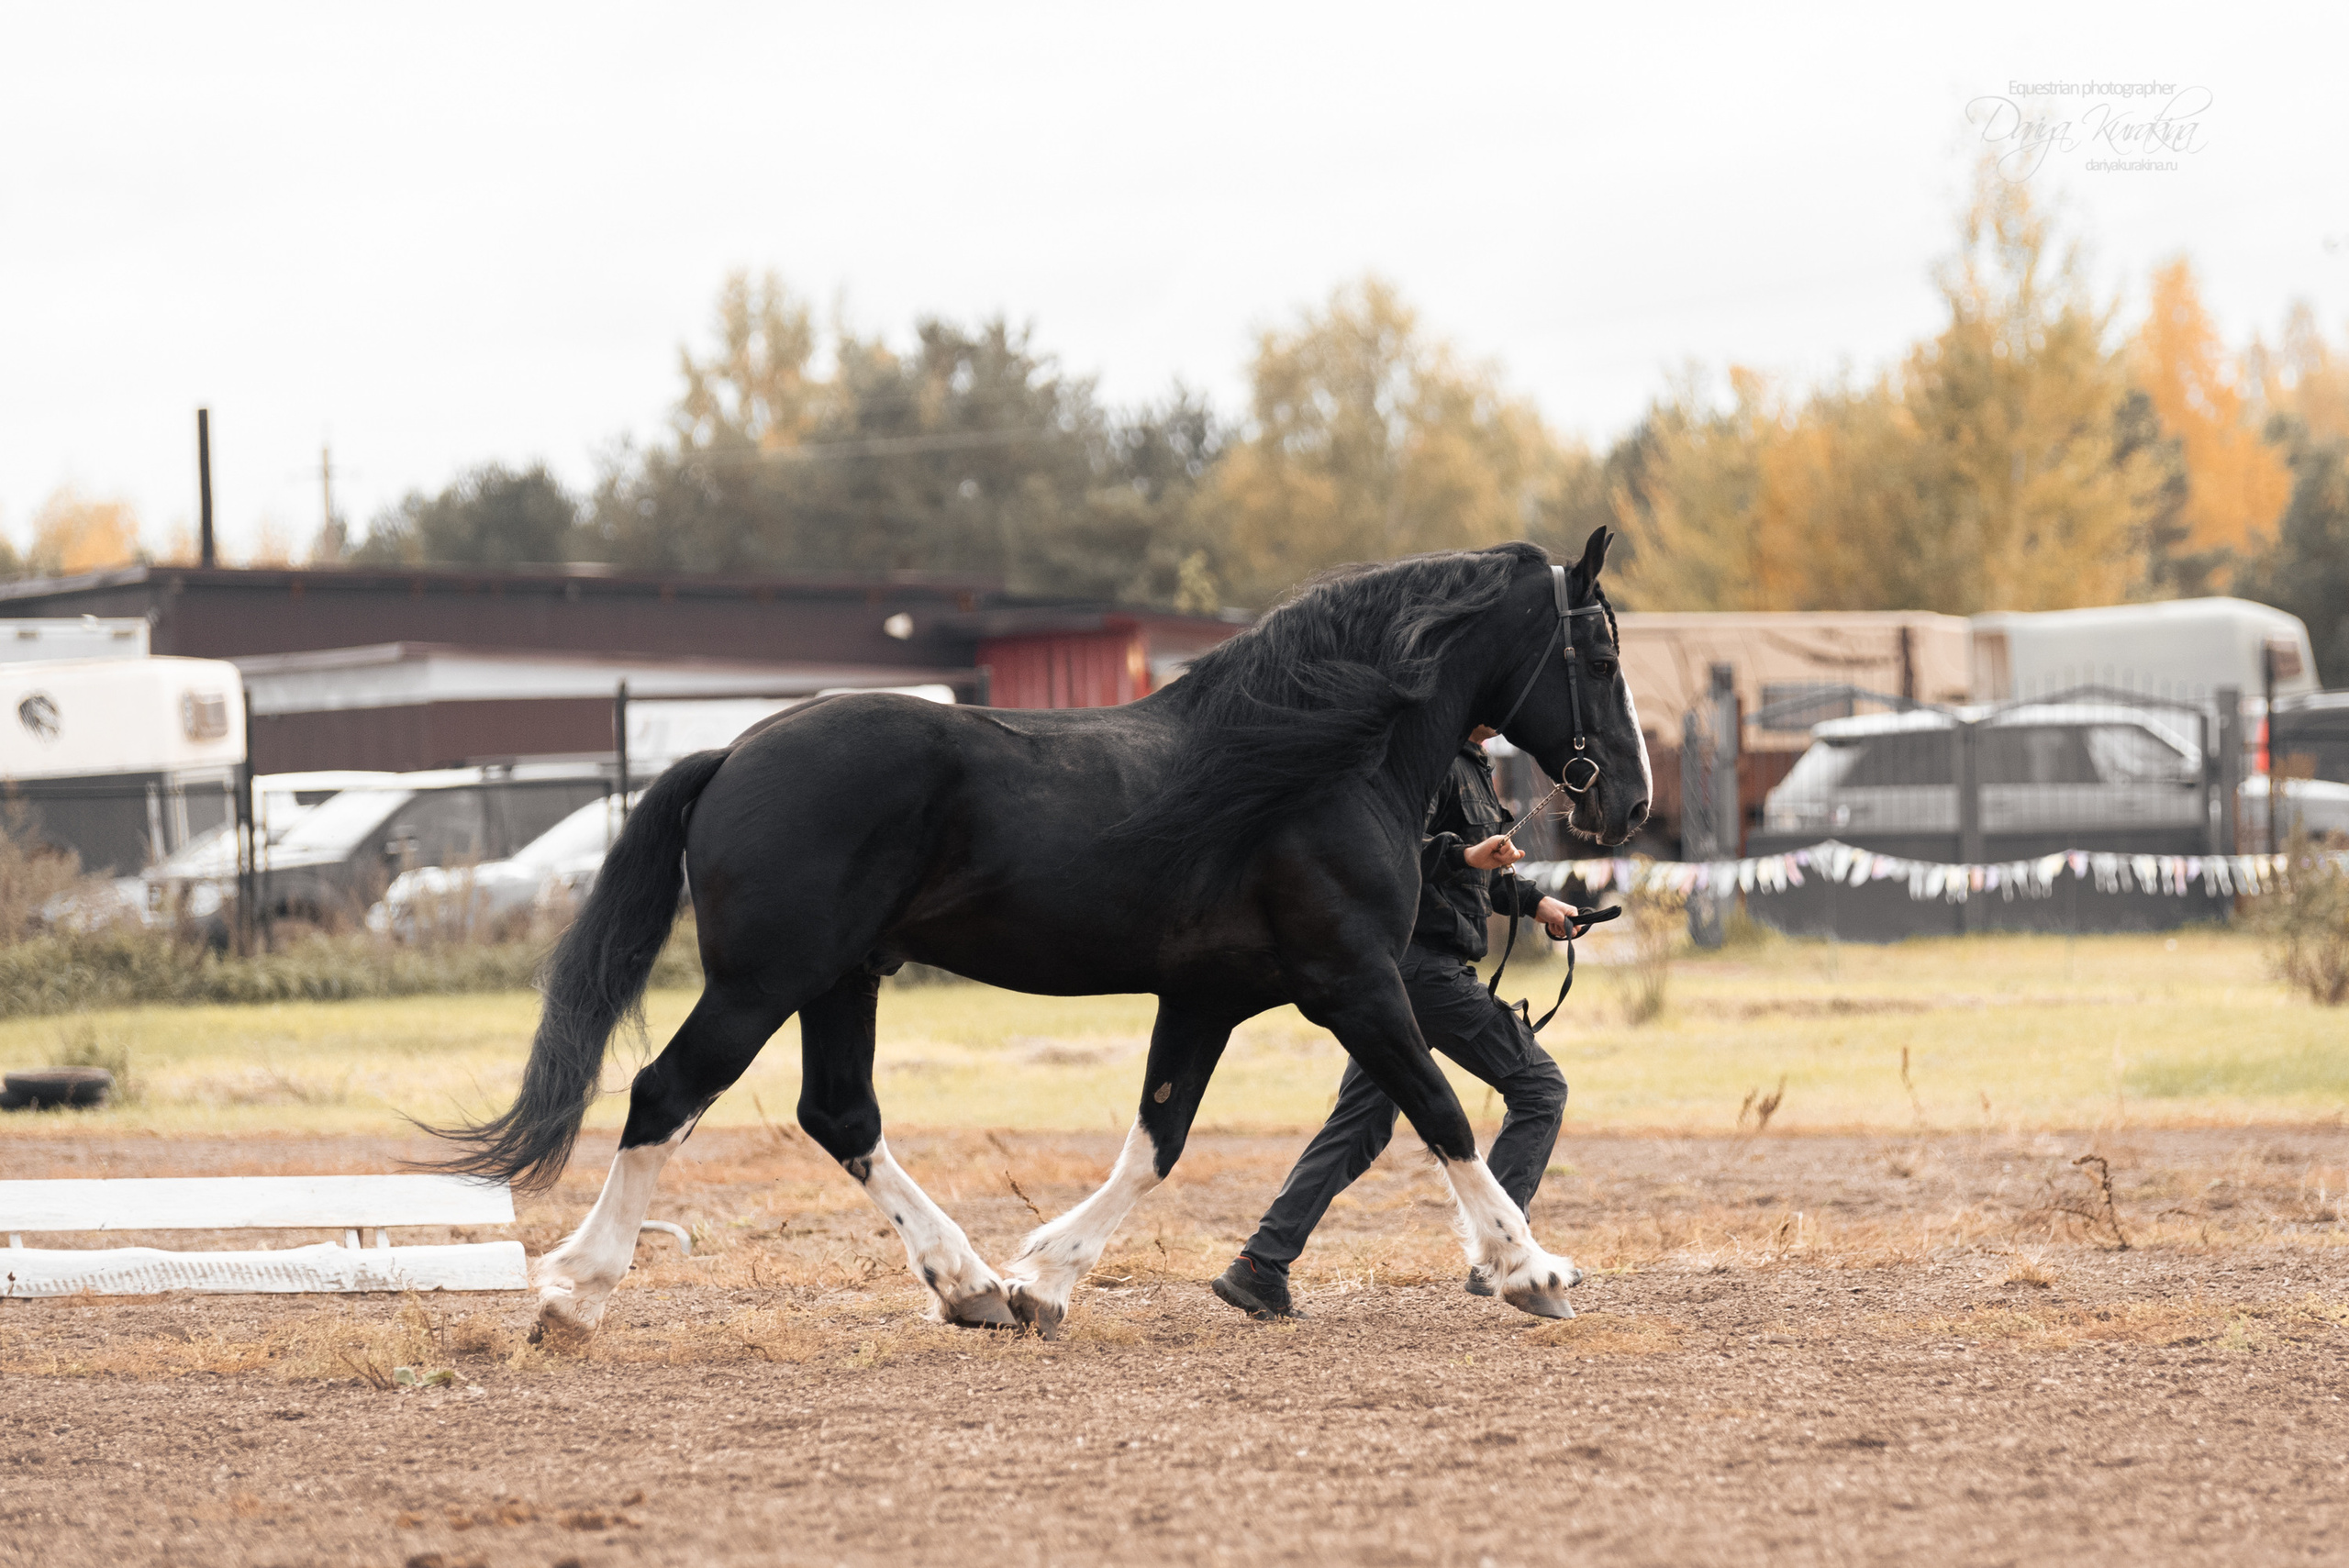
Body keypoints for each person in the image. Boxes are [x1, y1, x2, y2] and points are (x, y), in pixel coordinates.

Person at [1211, 727, 1584, 1320]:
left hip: (1397, 975)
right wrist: (1463, 854)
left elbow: (1471, 873)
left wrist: (1538, 904)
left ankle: (1260, 1265)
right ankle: (1507, 1253)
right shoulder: (1426, 757)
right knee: (1540, 1086)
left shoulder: (1470, 762)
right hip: (1424, 973)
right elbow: (1391, 850)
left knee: (1361, 1123)